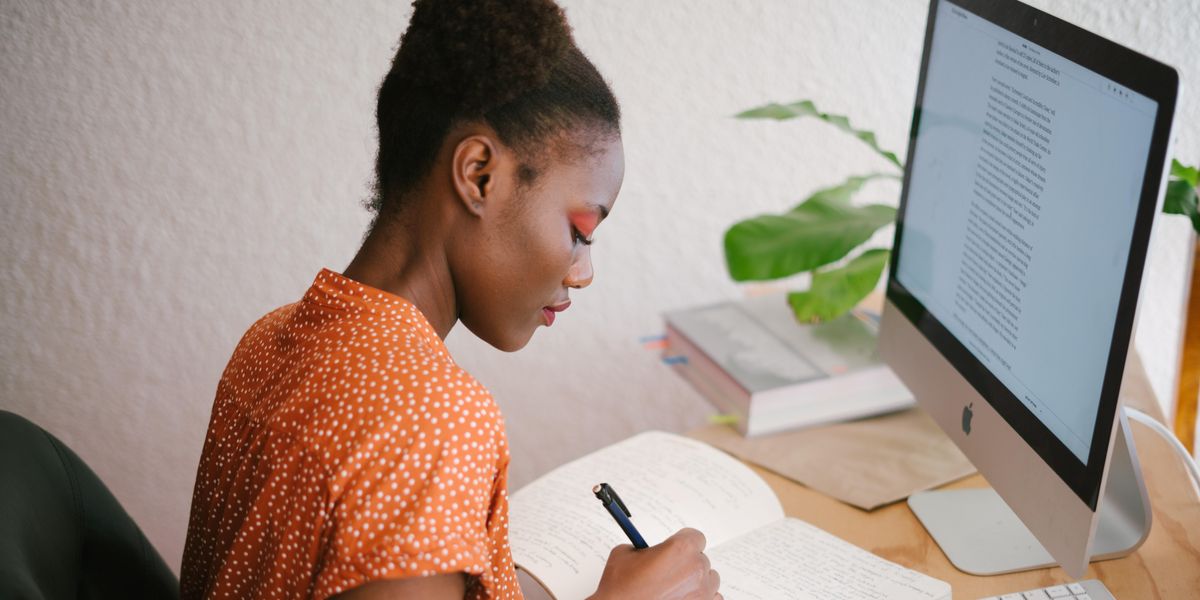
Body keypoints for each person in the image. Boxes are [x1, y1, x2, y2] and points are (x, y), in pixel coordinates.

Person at [179, 1, 722, 599]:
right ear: (479, 175)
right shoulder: (430, 419)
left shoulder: (270, 339)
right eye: (580, 232)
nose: (583, 272)